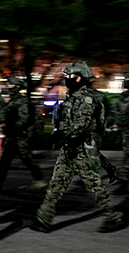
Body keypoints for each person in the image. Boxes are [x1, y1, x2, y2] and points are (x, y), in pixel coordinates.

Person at [30, 61, 123, 233]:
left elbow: (83, 125)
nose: (66, 79)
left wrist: (64, 135)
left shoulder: (86, 99)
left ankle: (113, 218)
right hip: (69, 148)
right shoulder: (72, 97)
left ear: (79, 78)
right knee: (56, 185)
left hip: (82, 150)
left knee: (94, 187)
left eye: (69, 76)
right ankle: (44, 220)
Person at [0, 75, 44, 191]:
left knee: (27, 159)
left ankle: (39, 179)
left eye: (11, 85)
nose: (9, 87)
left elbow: (24, 119)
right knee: (4, 162)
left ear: (17, 87)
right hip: (13, 136)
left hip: (21, 136)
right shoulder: (13, 101)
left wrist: (12, 128)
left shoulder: (21, 101)